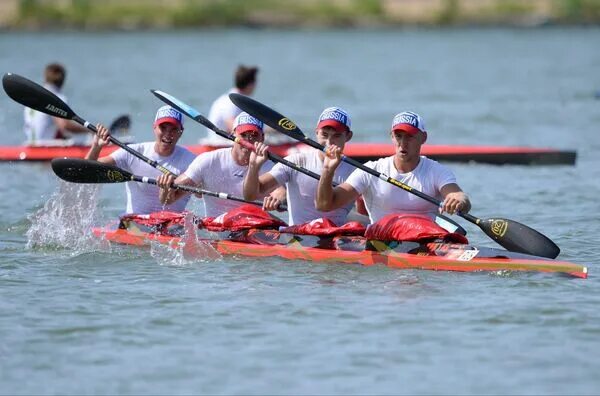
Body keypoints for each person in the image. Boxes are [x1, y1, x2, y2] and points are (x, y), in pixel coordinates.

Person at [316, 111, 471, 222]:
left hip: (424, 240)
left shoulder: (436, 171)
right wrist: (328, 170)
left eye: (410, 136)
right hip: (382, 242)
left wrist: (457, 200)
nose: (403, 143)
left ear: (423, 138)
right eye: (398, 136)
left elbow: (459, 196)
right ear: (391, 137)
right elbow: (325, 205)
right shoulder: (371, 170)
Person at [244, 107, 356, 226]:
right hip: (298, 239)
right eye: (324, 135)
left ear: (348, 136)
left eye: (337, 136)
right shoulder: (296, 161)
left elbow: (366, 208)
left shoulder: (355, 172)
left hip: (337, 239)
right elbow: (251, 195)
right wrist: (253, 167)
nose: (329, 142)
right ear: (316, 133)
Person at [157, 112, 282, 217]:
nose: (248, 141)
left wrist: (277, 199)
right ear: (233, 135)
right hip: (217, 231)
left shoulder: (269, 166)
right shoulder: (208, 161)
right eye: (243, 135)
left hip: (254, 229)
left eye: (254, 136)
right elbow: (168, 200)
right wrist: (165, 188)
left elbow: (281, 192)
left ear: (262, 138)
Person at [85, 105, 196, 215]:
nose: (167, 134)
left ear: (181, 131)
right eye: (163, 128)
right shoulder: (133, 153)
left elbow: (200, 194)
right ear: (154, 127)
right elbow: (86, 171)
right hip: (134, 225)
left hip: (174, 227)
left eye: (174, 129)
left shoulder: (192, 162)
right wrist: (96, 146)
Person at [23, 63, 90, 144]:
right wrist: (90, 130)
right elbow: (65, 126)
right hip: (45, 147)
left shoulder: (33, 97)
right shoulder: (57, 98)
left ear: (45, 77)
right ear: (63, 80)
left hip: (29, 144)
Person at [202, 65, 259, 146]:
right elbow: (234, 129)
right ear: (250, 84)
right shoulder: (232, 101)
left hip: (224, 140)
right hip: (220, 144)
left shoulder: (234, 97)